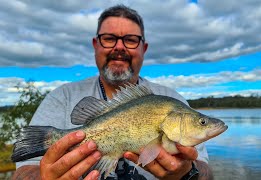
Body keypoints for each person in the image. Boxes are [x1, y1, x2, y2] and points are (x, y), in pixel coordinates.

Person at [13, 5, 213, 180]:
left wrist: (188, 174)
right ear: (95, 45)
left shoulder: (174, 100)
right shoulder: (62, 97)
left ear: (144, 48)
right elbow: (22, 172)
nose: (119, 47)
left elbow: (206, 171)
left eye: (131, 40)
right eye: (109, 39)